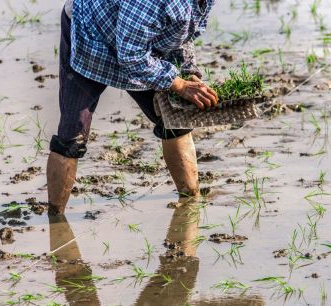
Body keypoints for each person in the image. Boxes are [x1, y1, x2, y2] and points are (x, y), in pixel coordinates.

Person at [47, 0, 218, 215]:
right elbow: (131, 56)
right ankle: (55, 219)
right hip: (91, 31)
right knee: (72, 134)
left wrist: (186, 70)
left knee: (174, 118)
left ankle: (190, 204)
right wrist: (179, 84)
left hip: (137, 39)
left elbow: (183, 32)